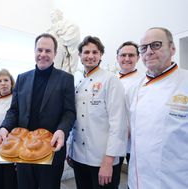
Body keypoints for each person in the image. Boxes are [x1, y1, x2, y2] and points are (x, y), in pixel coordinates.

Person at [0, 33, 76, 189]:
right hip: (24, 150)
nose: (43, 54)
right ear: (34, 51)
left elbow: (69, 112)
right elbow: (14, 110)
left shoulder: (66, 78)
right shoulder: (22, 78)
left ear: (55, 53)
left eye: (48, 51)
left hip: (52, 149)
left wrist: (62, 130)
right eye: (39, 50)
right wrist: (4, 127)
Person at [126, 27, 188, 189]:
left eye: (156, 45)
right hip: (137, 180)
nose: (149, 52)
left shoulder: (185, 82)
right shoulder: (135, 88)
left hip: (175, 181)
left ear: (172, 48)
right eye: (144, 47)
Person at [68, 36, 127, 189]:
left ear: (101, 55)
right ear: (80, 55)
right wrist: (70, 151)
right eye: (86, 52)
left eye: (95, 52)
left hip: (102, 158)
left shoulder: (110, 80)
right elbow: (74, 120)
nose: (90, 56)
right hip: (79, 156)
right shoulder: (77, 80)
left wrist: (108, 161)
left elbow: (118, 123)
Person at [115, 41, 142, 185]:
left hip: (133, 139)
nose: (127, 59)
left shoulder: (143, 81)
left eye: (131, 55)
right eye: (123, 55)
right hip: (113, 138)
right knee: (112, 176)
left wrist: (130, 128)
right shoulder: (111, 79)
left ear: (138, 58)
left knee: (135, 178)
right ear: (117, 58)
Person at [47, 9, 80, 74]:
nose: (51, 17)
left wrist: (60, 37)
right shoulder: (50, 28)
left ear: (58, 14)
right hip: (51, 52)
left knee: (57, 71)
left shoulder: (67, 24)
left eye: (52, 15)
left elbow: (73, 31)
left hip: (60, 49)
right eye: (50, 16)